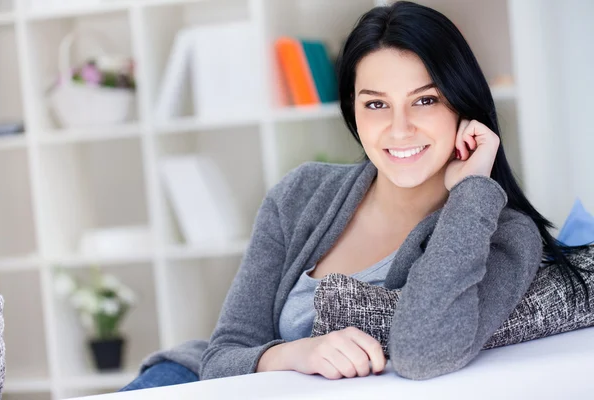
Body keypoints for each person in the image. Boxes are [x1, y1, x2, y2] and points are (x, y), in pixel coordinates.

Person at [120, 0, 592, 390]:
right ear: (354, 113)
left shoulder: (502, 235)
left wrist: (471, 193)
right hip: (184, 379)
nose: (399, 129)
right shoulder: (299, 194)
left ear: (462, 107)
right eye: (376, 104)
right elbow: (221, 355)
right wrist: (300, 353)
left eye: (425, 100)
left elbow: (424, 352)